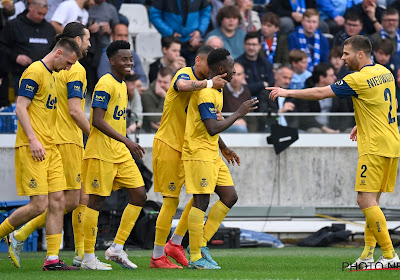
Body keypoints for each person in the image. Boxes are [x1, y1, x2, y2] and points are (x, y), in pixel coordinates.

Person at [268, 35, 400, 269]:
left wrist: (286, 92)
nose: (342, 58)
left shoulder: (357, 78)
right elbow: (385, 102)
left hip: (374, 147)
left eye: (346, 53)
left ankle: (390, 256)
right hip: (391, 142)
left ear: (360, 54)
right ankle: (368, 257)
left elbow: (320, 93)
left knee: (364, 199)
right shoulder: (385, 72)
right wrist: (363, 121)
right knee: (373, 203)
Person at [7, 22, 91, 268]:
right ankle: (9, 233)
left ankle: (52, 259)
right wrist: (33, 139)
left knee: (58, 202)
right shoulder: (34, 71)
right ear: (59, 53)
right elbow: (20, 106)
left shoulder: (54, 76)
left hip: (52, 147)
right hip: (33, 146)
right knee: (39, 205)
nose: (69, 68)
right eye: (68, 63)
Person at [150, 45, 228, 269]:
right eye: (209, 64)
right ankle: (157, 256)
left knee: (199, 196)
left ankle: (175, 244)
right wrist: (211, 83)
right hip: (169, 145)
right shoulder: (185, 73)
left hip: (189, 147)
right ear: (198, 60)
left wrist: (222, 146)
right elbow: (182, 86)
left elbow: (207, 122)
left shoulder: (209, 89)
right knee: (171, 201)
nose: (212, 68)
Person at [183, 48, 258, 269]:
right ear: (223, 69)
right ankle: (196, 256)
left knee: (230, 196)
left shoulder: (218, 90)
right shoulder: (206, 93)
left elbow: (211, 127)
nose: (236, 70)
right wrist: (238, 113)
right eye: (233, 67)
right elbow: (212, 127)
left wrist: (224, 147)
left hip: (212, 153)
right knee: (201, 202)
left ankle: (200, 242)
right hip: (198, 154)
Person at [80, 40, 147, 270]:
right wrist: (127, 140)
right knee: (95, 203)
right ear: (111, 61)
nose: (129, 62)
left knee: (139, 195)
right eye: (124, 59)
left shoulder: (122, 85)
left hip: (119, 153)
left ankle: (116, 248)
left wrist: (125, 143)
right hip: (101, 153)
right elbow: (97, 120)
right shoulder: (105, 83)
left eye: (130, 59)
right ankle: (88, 257)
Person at [0, 0, 56, 94]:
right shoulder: (14, 25)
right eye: (39, 13)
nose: (41, 17)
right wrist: (16, 57)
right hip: (21, 74)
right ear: (30, 7)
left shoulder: (49, 28)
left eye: (44, 14)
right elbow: (2, 46)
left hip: (45, 75)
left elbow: (54, 49)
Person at [149, 0, 211, 65]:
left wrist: (199, 31)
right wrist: (170, 33)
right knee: (171, 72)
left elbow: (206, 12)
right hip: (171, 42)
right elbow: (154, 15)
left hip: (192, 43)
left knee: (193, 73)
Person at [236, 31, 275, 97]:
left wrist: (251, 87)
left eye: (254, 44)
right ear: (244, 45)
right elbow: (240, 89)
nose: (251, 47)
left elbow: (271, 85)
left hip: (264, 101)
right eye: (248, 44)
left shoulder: (266, 63)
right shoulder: (237, 64)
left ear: (260, 46)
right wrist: (262, 84)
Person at [222, 62, 256, 133]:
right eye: (233, 74)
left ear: (243, 76)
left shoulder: (246, 91)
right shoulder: (221, 90)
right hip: (224, 127)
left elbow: (251, 116)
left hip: (244, 127)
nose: (235, 78)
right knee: (240, 129)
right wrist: (232, 122)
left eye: (239, 74)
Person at [142, 67, 174, 132]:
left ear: (172, 82)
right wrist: (164, 98)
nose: (161, 85)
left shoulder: (176, 92)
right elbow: (156, 120)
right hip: (151, 132)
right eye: (159, 81)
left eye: (165, 82)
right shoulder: (148, 95)